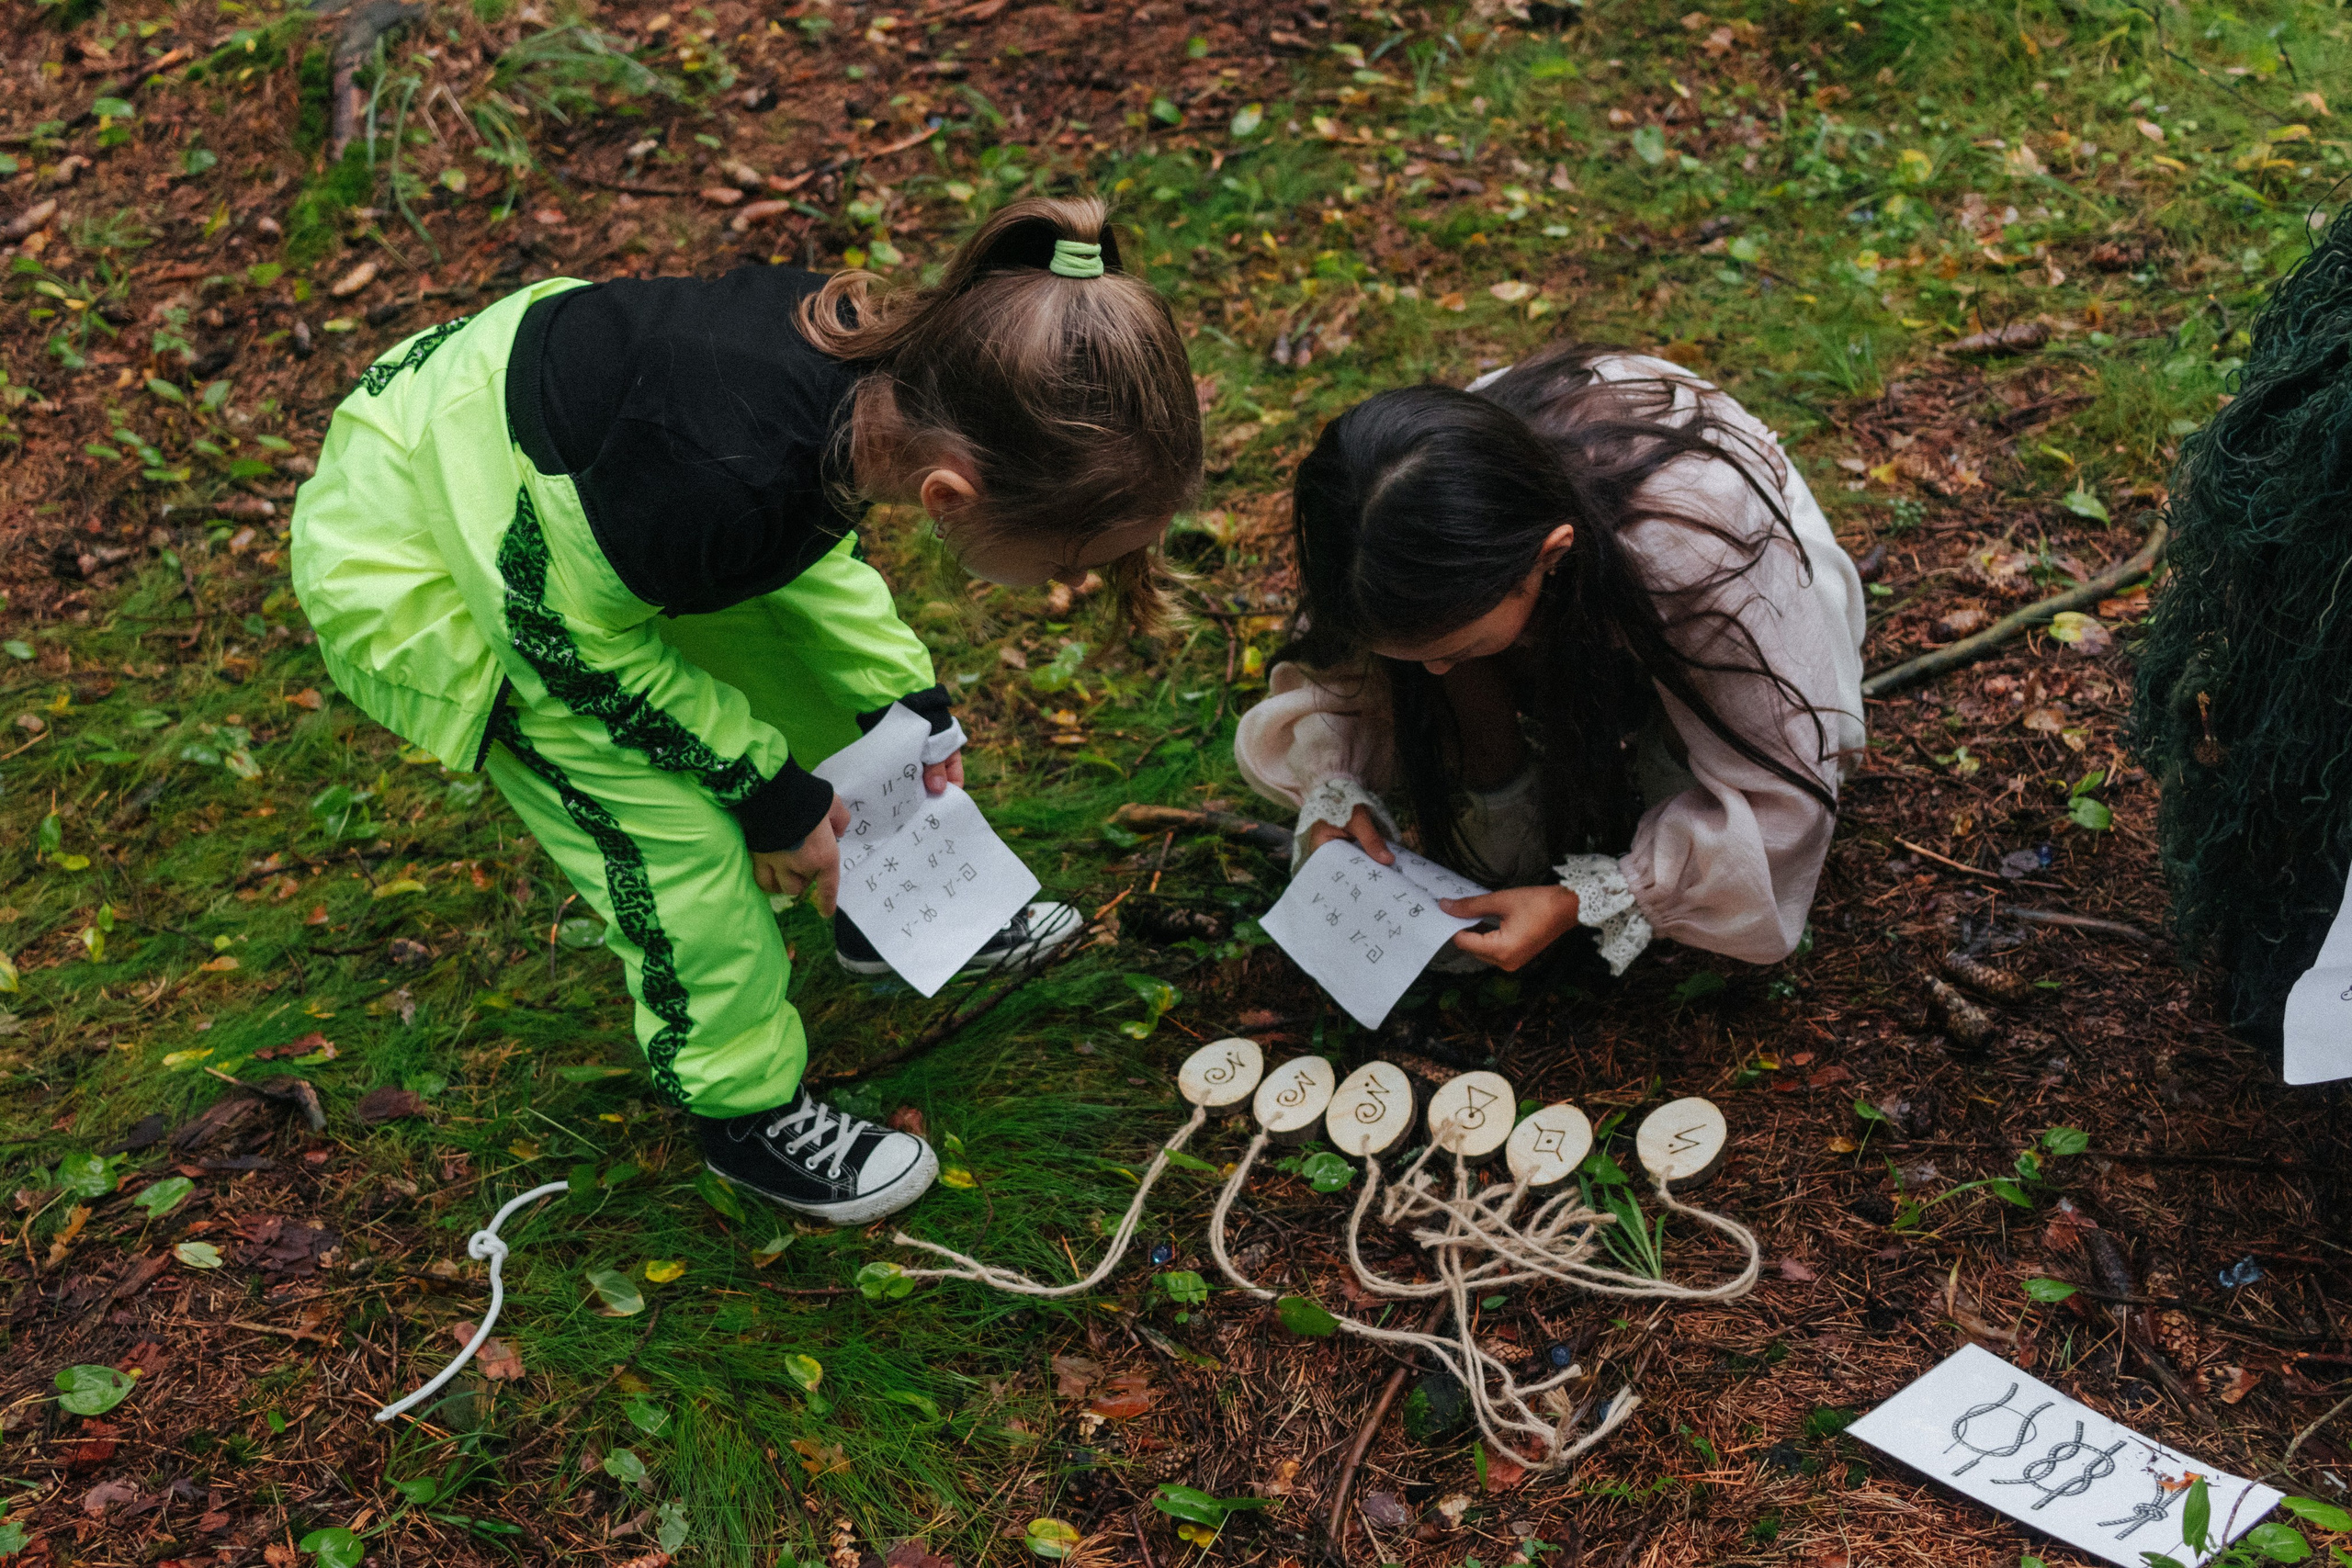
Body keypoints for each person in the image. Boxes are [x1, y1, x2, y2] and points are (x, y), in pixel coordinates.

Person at [291, 197, 1201, 1223]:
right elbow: (568, 650)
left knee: (831, 706)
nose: (1070, 585)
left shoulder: (858, 402)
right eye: (1074, 565)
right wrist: (762, 797)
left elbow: (804, 555)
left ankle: (885, 906)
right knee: (675, 839)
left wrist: (902, 700)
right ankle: (745, 1111)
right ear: (948, 496)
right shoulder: (720, 470)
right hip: (424, 565)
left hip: (590, 518)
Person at [1236, 344, 1865, 980]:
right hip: (1535, 570)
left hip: (1715, 572)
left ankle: (1666, 775)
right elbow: (1343, 667)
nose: (1435, 672)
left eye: (1456, 650)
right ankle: (1502, 781)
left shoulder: (1693, 551)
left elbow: (1786, 787)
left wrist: (1585, 900)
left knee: (1704, 748)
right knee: (1453, 683)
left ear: (1549, 556)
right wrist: (1334, 786)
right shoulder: (1385, 526)